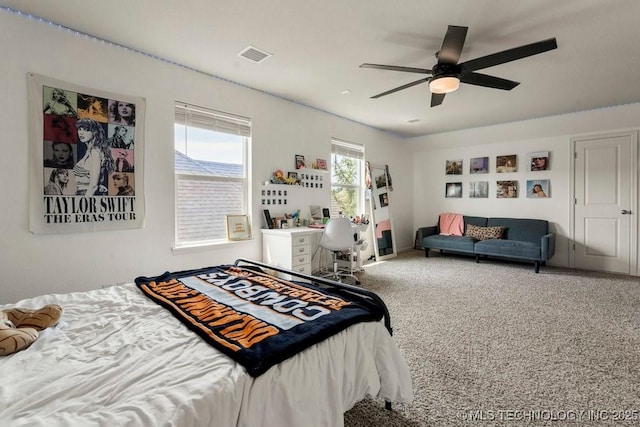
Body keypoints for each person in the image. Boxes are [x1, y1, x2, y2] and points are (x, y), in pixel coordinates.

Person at [73, 118, 113, 196]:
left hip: (88, 195)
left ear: (95, 132)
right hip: (83, 193)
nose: (81, 133)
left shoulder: (95, 152)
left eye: (86, 130)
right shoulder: (88, 151)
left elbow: (93, 186)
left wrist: (85, 203)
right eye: (80, 129)